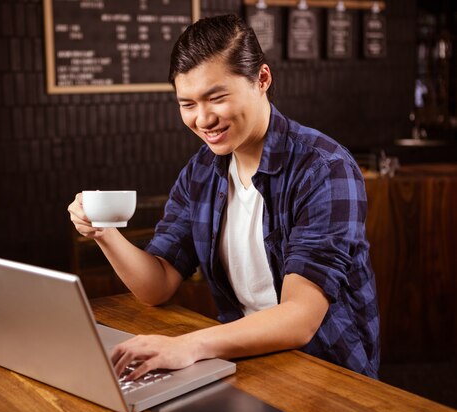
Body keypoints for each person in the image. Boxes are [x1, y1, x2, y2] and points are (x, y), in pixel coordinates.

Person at [68, 14, 379, 381]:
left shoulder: (324, 168)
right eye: (187, 104)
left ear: (261, 79)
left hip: (328, 371)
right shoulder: (200, 171)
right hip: (245, 360)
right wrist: (103, 231)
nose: (203, 119)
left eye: (216, 98)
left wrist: (188, 345)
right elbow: (157, 284)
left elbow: (300, 318)